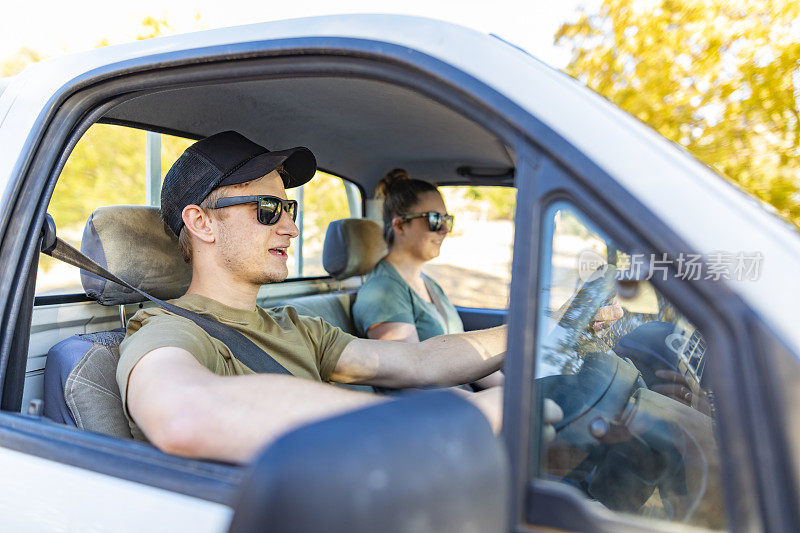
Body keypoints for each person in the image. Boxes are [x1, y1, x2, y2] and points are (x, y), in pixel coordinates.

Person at [117, 131, 514, 464]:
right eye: (269, 209)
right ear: (202, 222)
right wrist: (453, 420)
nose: (291, 227)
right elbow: (183, 416)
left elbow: (420, 360)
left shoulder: (297, 327)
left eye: (289, 208)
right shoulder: (168, 331)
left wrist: (530, 336)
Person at [352, 169, 503, 388]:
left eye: (446, 219)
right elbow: (412, 380)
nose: (444, 229)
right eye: (434, 219)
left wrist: (514, 394)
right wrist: (487, 404)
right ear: (400, 225)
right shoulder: (383, 291)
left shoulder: (430, 286)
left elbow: (469, 358)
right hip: (433, 413)